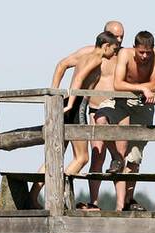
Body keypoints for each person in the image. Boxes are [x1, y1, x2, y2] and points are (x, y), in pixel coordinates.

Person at [40, 29, 122, 210]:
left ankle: (32, 196)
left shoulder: (84, 55)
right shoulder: (96, 59)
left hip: (71, 103)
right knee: (82, 157)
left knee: (55, 156)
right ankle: (57, 194)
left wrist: (56, 92)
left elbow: (62, 64)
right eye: (114, 49)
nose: (115, 53)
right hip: (77, 106)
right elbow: (78, 79)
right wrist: (70, 103)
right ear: (106, 46)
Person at [111, 30, 155, 211]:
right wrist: (143, 88)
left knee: (136, 155)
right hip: (122, 103)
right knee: (118, 154)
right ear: (134, 48)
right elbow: (117, 84)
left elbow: (154, 85)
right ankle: (117, 202)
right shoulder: (124, 54)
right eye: (141, 52)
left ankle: (129, 200)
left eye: (148, 52)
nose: (145, 56)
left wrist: (144, 91)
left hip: (144, 105)